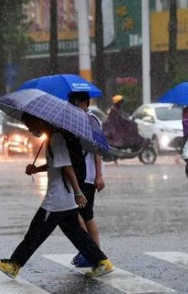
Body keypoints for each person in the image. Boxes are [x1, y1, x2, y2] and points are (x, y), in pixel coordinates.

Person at [0, 112, 115, 278]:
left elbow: (67, 166)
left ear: (39, 121)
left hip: (58, 199)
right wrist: (36, 169)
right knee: (77, 235)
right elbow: (55, 164)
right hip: (64, 197)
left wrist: (78, 192)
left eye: (30, 123)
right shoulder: (53, 137)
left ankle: (14, 264)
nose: (29, 128)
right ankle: (102, 262)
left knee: (35, 232)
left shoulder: (56, 138)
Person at [67, 91, 105, 267]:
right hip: (78, 174)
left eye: (77, 102)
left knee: (86, 215)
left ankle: (95, 252)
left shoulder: (92, 121)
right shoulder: (75, 120)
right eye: (72, 102)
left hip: (88, 176)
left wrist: (99, 175)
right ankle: (89, 251)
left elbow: (97, 149)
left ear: (85, 103)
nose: (74, 106)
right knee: (78, 215)